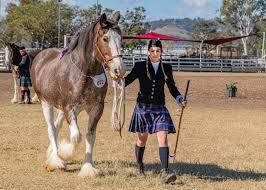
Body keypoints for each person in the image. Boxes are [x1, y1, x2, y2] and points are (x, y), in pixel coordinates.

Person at [125, 39, 187, 184]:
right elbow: (127, 80)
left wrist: (179, 98)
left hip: (160, 108)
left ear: (161, 52)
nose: (155, 53)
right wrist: (117, 80)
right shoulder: (140, 66)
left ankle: (165, 172)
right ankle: (140, 165)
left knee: (163, 138)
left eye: (157, 51)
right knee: (141, 139)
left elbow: (172, 87)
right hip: (143, 108)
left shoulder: (166, 68)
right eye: (152, 51)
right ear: (148, 52)